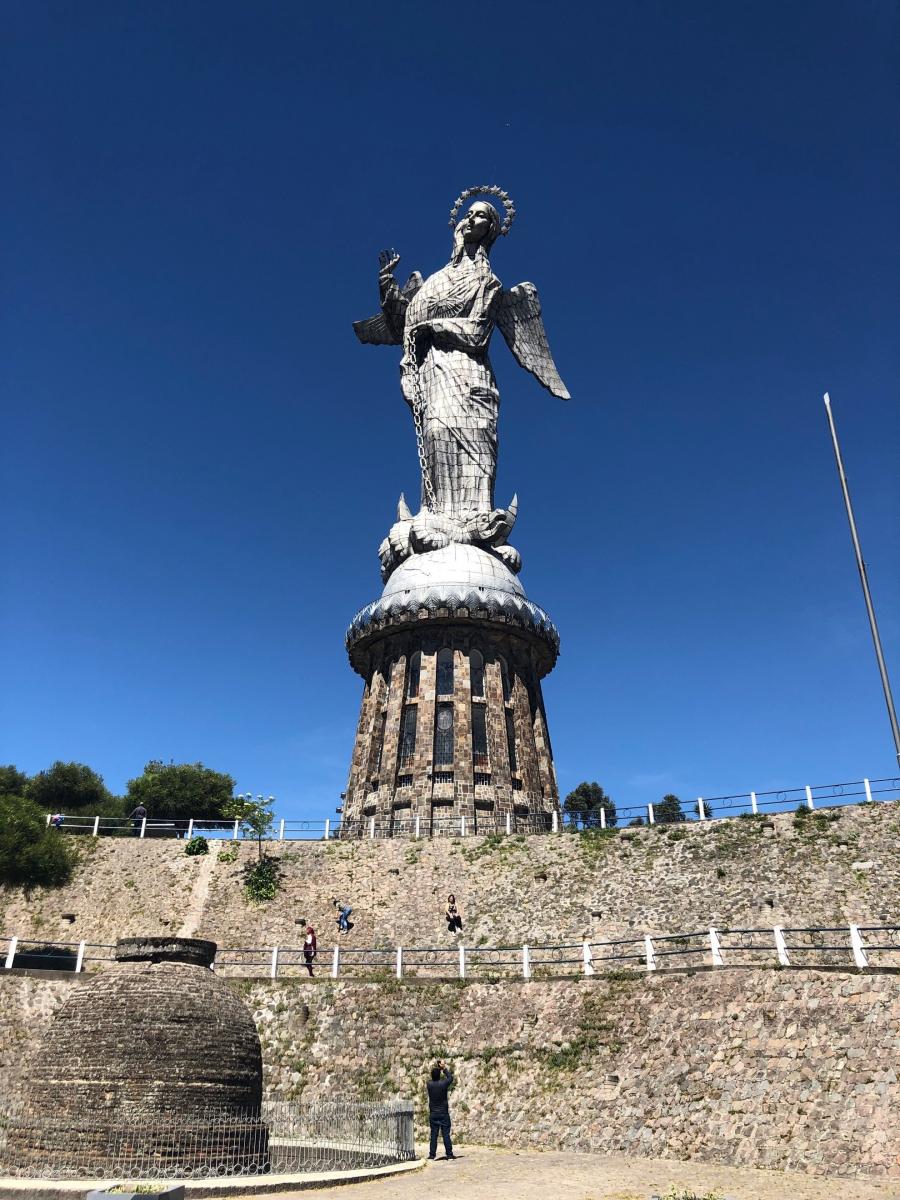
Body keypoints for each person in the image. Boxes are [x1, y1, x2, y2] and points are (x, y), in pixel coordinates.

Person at [426, 1061, 455, 1161]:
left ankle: (432, 1155)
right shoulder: (443, 1084)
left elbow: (434, 1078)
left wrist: (438, 1069)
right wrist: (444, 1068)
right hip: (443, 1113)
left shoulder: (429, 1084)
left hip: (433, 1114)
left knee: (434, 1135)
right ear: (439, 1076)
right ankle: (449, 1155)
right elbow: (450, 1078)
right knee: (446, 1135)